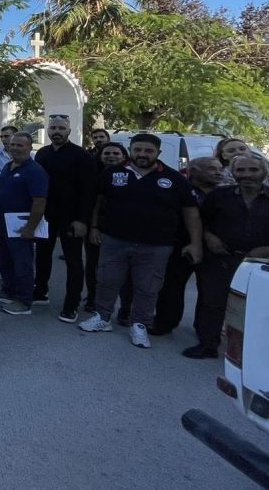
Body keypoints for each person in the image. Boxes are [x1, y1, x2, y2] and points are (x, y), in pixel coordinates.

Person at [80, 133, 202, 349]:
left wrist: (195, 242)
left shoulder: (175, 179)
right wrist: (94, 227)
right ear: (131, 150)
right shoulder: (113, 173)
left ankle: (140, 325)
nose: (142, 154)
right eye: (138, 150)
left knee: (147, 287)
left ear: (158, 153)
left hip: (156, 245)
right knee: (107, 280)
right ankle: (103, 317)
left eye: (148, 151)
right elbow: (98, 201)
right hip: (114, 239)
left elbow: (190, 212)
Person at [185, 154, 269, 358]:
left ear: (264, 172)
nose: (246, 174)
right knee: (211, 302)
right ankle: (208, 344)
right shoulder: (219, 195)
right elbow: (202, 221)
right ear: (232, 173)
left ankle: (251, 353)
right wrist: (209, 237)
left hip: (259, 264)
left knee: (256, 308)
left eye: (253, 170)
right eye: (241, 170)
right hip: (220, 259)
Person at [148, 156, 224, 338]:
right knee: (171, 288)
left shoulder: (225, 193)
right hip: (181, 246)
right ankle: (165, 322)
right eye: (212, 169)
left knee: (209, 292)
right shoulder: (181, 189)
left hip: (215, 250)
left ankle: (205, 330)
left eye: (219, 169)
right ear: (195, 171)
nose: (218, 172)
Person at [33, 114, 97, 322]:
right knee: (42, 255)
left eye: (61, 128)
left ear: (69, 131)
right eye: (53, 128)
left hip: (72, 218)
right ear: (48, 131)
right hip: (46, 216)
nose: (57, 132)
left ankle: (71, 304)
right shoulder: (42, 154)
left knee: (74, 261)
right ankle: (40, 291)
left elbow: (89, 191)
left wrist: (82, 220)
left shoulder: (81, 156)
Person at [0, 133, 48, 315]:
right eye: (13, 145)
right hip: (2, 223)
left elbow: (39, 201)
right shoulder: (7, 166)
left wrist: (30, 228)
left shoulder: (35, 171)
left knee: (22, 263)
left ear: (29, 148)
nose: (15, 148)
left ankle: (24, 301)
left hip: (21, 226)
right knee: (5, 259)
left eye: (20, 145)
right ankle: (8, 290)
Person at [83, 141, 129, 313]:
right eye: (107, 153)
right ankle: (92, 298)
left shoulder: (133, 175)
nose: (111, 156)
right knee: (93, 264)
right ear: (100, 156)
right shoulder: (93, 174)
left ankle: (126, 306)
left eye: (116, 153)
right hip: (96, 226)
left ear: (124, 156)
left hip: (122, 229)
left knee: (124, 268)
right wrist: (93, 226)